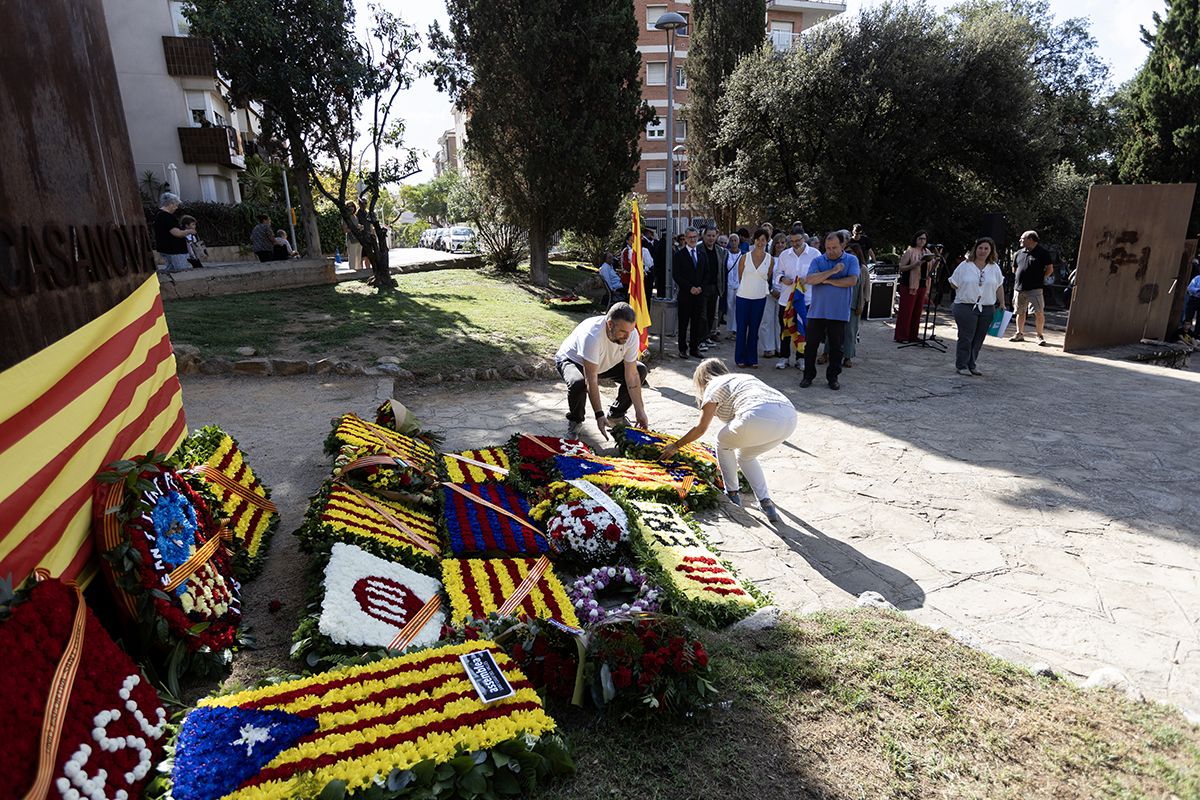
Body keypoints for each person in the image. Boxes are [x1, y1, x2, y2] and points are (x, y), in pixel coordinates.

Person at [661, 358, 796, 523]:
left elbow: (701, 428)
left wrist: (676, 445)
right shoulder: (740, 378)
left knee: (722, 443)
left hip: (758, 413)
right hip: (789, 417)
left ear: (702, 379)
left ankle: (732, 494)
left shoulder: (713, 385)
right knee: (746, 456)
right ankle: (765, 502)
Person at [554, 303, 650, 440]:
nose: (628, 336)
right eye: (623, 331)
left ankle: (616, 416)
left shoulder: (631, 334)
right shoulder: (592, 336)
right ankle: (575, 421)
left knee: (639, 370)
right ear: (610, 324)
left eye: (631, 330)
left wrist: (640, 411)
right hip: (574, 360)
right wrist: (599, 415)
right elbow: (591, 379)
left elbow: (632, 375)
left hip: (602, 363)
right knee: (578, 383)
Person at [801, 231, 861, 390]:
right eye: (828, 248)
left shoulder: (851, 260)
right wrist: (833, 272)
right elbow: (810, 279)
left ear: (843, 245)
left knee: (836, 347)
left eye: (834, 247)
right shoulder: (818, 260)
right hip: (817, 311)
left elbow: (852, 281)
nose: (831, 251)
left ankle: (833, 377)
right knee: (811, 346)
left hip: (839, 312)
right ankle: (808, 375)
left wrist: (826, 281)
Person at [948, 237, 1006, 376]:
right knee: (966, 337)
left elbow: (999, 286)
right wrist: (967, 288)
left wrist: (1002, 303)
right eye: (980, 248)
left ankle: (972, 364)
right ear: (976, 249)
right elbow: (953, 282)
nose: (983, 251)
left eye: (986, 248)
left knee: (979, 337)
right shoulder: (965, 265)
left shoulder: (994, 267)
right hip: (966, 306)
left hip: (987, 307)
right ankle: (961, 365)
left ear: (991, 250)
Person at [773, 226, 818, 369]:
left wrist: (808, 279)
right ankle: (784, 357)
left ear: (804, 238)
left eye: (797, 240)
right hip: (786, 299)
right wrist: (782, 279)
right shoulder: (784, 255)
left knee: (804, 329)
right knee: (785, 329)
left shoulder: (815, 254)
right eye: (791, 241)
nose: (795, 244)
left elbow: (819, 274)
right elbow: (777, 274)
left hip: (806, 299)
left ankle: (801, 358)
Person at [734, 228, 773, 368]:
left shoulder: (770, 259)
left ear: (767, 241)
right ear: (754, 240)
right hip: (743, 297)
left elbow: (767, 277)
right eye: (758, 239)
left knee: (754, 329)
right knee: (742, 329)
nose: (760, 242)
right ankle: (740, 358)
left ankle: (752, 358)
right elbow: (740, 276)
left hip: (760, 298)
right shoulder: (745, 257)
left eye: (763, 240)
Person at [1011, 230, 1053, 345]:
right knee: (1020, 312)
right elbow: (1014, 269)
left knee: (1038, 312)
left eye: (1022, 238)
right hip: (1019, 288)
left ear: (1031, 240)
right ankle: (1019, 333)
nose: (1020, 240)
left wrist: (1040, 278)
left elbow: (1050, 269)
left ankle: (1039, 335)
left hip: (1035, 289)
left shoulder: (1043, 253)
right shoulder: (1018, 253)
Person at [673, 227, 707, 359]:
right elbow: (677, 276)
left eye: (695, 237)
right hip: (685, 295)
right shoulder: (679, 255)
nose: (693, 239)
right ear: (685, 239)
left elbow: (707, 274)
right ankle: (682, 349)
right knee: (683, 323)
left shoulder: (702, 254)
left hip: (699, 295)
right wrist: (690, 288)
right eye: (690, 237)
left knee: (696, 323)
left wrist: (700, 288)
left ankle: (694, 348)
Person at [895, 230, 933, 343]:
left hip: (922, 284)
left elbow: (929, 270)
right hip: (909, 285)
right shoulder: (910, 251)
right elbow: (901, 268)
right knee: (906, 311)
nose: (922, 241)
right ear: (915, 239)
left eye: (924, 239)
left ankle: (913, 335)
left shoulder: (927, 252)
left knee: (917, 312)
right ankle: (902, 336)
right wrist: (914, 265)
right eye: (920, 238)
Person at [843, 241, 871, 367]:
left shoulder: (863, 269)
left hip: (854, 304)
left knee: (850, 331)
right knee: (832, 330)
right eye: (847, 252)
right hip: (839, 303)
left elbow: (866, 289)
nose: (849, 254)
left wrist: (862, 305)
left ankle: (848, 356)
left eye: (851, 252)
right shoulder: (841, 265)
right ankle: (827, 353)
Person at [698, 227, 723, 346]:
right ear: (704, 236)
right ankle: (700, 339)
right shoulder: (698, 248)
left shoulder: (719, 250)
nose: (711, 238)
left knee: (711, 314)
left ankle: (707, 337)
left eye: (713, 236)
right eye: (709, 235)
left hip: (715, 286)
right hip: (702, 286)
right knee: (701, 315)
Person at [154, 192, 191, 272]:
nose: (176, 208)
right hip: (175, 251)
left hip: (165, 249)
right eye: (176, 205)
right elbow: (177, 233)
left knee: (170, 271)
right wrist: (189, 231)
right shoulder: (167, 216)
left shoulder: (158, 215)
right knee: (180, 273)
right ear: (171, 204)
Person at [724, 232, 741, 335]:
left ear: (738, 242)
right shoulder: (726, 254)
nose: (734, 242)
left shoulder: (743, 254)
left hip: (740, 284)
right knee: (730, 306)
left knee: (738, 306)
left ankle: (737, 329)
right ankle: (731, 328)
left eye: (735, 240)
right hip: (729, 283)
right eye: (732, 240)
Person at [343, 202, 363, 270]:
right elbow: (345, 230)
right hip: (351, 240)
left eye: (352, 206)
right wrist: (353, 229)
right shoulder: (345, 217)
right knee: (352, 257)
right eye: (349, 206)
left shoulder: (355, 216)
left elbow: (357, 226)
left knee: (358, 257)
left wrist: (360, 227)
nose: (351, 208)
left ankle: (359, 272)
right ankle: (352, 272)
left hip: (358, 239)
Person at [1181, 273, 1200, 339]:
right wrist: (1197, 290)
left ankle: (1196, 336)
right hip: (1194, 299)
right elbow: (1189, 288)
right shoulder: (1197, 278)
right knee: (1188, 317)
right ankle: (1185, 334)